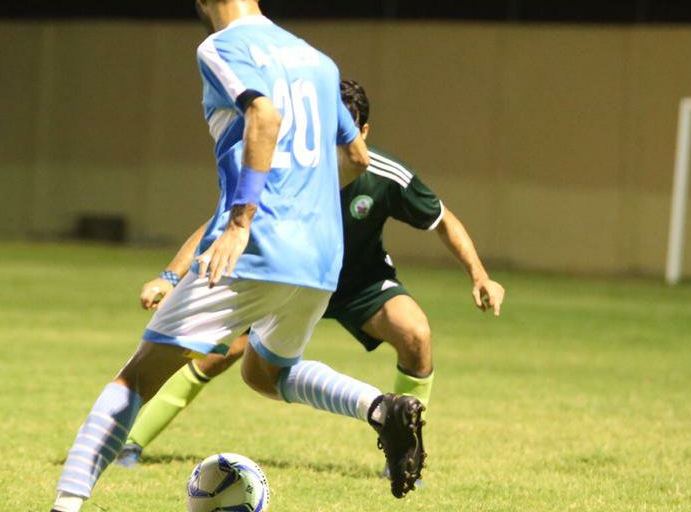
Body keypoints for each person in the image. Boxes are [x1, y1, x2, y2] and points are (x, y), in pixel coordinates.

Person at [20, 0, 426, 512]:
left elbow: (264, 116)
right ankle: (381, 408)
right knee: (267, 373)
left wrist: (241, 221)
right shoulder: (318, 61)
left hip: (257, 245)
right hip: (321, 256)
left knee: (136, 378)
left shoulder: (218, 47)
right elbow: (357, 154)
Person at [118, 79, 505, 469]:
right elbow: (222, 224)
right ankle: (132, 442)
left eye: (345, 133)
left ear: (363, 132)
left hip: (358, 283)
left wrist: (480, 276)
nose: (335, 144)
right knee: (220, 354)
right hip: (286, 279)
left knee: (416, 334)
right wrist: (170, 277)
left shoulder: (385, 175)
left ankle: (404, 450)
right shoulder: (287, 169)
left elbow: (443, 219)